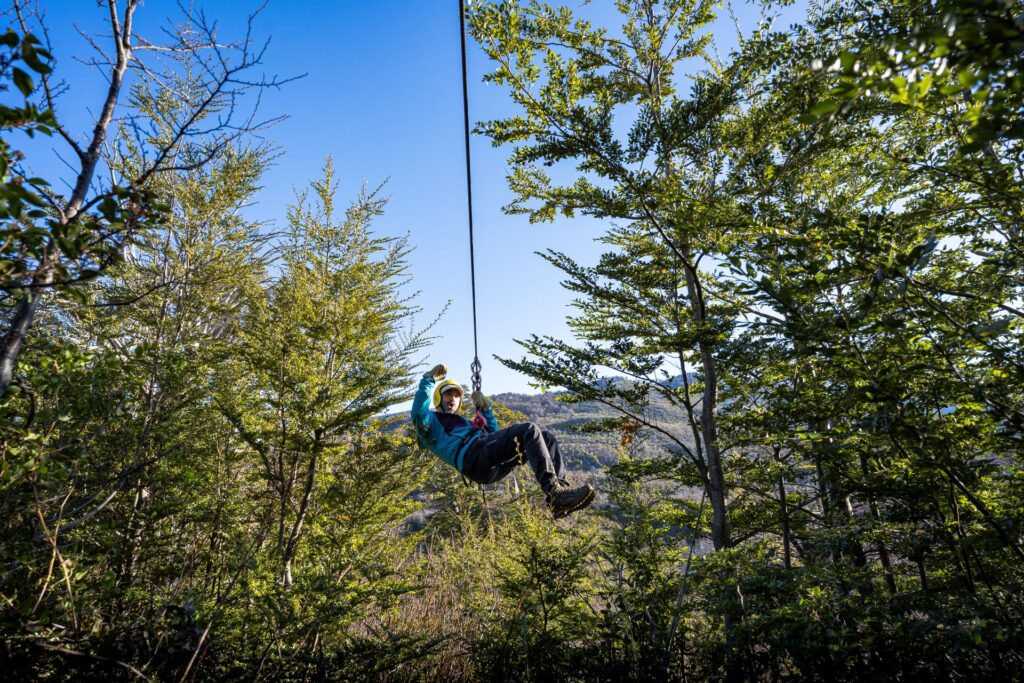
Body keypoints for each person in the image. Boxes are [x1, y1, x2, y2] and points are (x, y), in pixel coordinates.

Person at [412, 363, 595, 518]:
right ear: (439, 398)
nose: (452, 398)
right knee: (529, 430)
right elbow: (418, 414)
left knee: (546, 438)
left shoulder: (464, 423)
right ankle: (555, 492)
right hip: (474, 458)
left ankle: (559, 495)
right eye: (448, 394)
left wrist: (486, 410)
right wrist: (428, 379)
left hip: (488, 463)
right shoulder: (431, 424)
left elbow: (494, 435)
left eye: (456, 396)